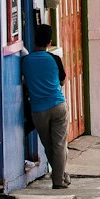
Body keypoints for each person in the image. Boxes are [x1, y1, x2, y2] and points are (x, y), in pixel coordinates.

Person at [21, 23, 70, 189]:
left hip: (38, 111)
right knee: (60, 145)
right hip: (57, 106)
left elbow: (24, 82)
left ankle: (61, 176)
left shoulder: (25, 61)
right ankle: (58, 181)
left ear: (35, 40)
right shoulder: (54, 59)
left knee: (49, 146)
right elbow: (62, 80)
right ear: (50, 42)